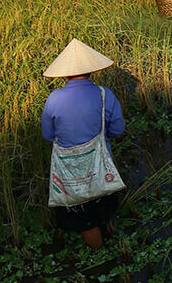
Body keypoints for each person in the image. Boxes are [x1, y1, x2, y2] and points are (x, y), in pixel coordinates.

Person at [41, 39, 125, 249]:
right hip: (101, 165)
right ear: (91, 71)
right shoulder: (104, 94)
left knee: (86, 219)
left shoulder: (54, 98)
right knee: (104, 205)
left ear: (65, 73)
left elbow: (48, 135)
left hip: (70, 171)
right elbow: (118, 129)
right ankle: (113, 249)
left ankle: (99, 255)